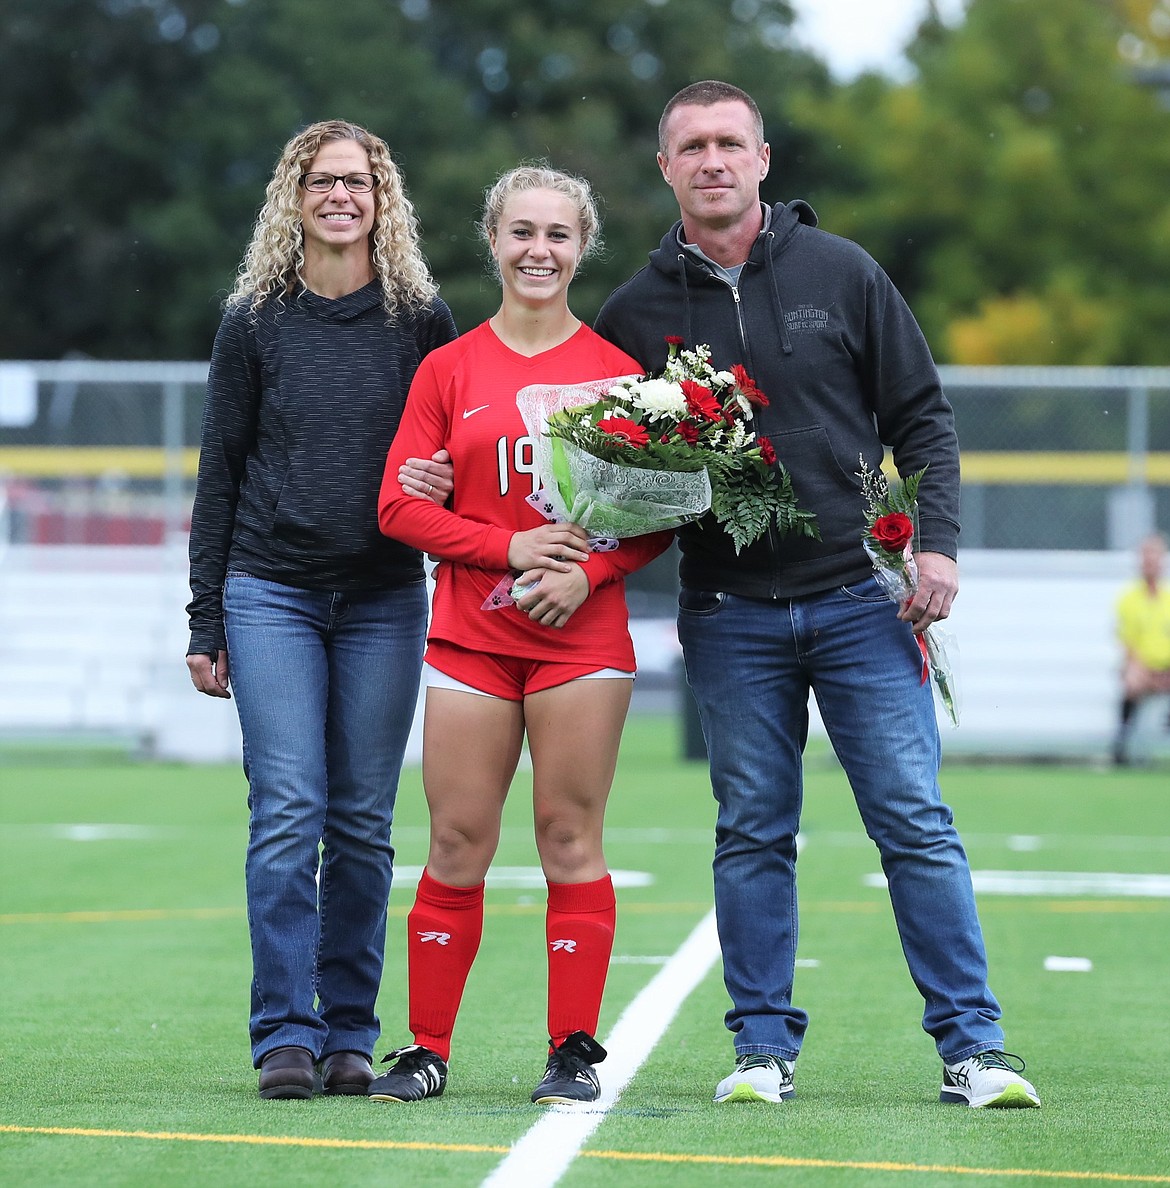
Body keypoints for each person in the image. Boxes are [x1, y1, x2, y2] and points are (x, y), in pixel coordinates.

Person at [594, 81, 1040, 1109]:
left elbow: (922, 417)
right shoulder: (635, 312)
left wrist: (938, 548)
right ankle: (760, 1050)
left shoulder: (842, 274)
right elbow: (618, 476)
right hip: (727, 613)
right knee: (753, 827)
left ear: (761, 158)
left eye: (729, 142)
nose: (712, 160)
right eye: (691, 145)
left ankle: (973, 1050)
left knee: (914, 821)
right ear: (666, 168)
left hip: (861, 601)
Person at [371, 164, 671, 1106]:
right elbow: (396, 508)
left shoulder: (619, 376)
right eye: (522, 232)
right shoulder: (447, 369)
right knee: (456, 839)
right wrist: (510, 549)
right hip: (469, 637)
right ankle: (424, 1050)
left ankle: (572, 1050)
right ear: (492, 240)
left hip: (584, 643)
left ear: (582, 249)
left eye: (558, 235)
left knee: (567, 834)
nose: (539, 251)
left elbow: (660, 514)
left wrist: (588, 572)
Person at [185, 119, 457, 1100]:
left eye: (358, 182)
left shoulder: (423, 320)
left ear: (382, 201)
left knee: (363, 822)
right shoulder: (253, 320)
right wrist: (204, 620)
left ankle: (350, 1031)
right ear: (292, 199)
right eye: (320, 181)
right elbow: (219, 475)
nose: (340, 197)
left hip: (386, 597)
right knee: (288, 812)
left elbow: (463, 451)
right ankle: (286, 1035)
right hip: (270, 592)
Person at [1112, 531, 1170, 766]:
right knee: (1132, 680)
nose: (1150, 561)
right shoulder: (1128, 599)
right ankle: (1122, 745)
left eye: (1155, 555)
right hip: (1143, 668)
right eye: (1146, 555)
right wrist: (1145, 673)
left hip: (1167, 669)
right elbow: (1128, 645)